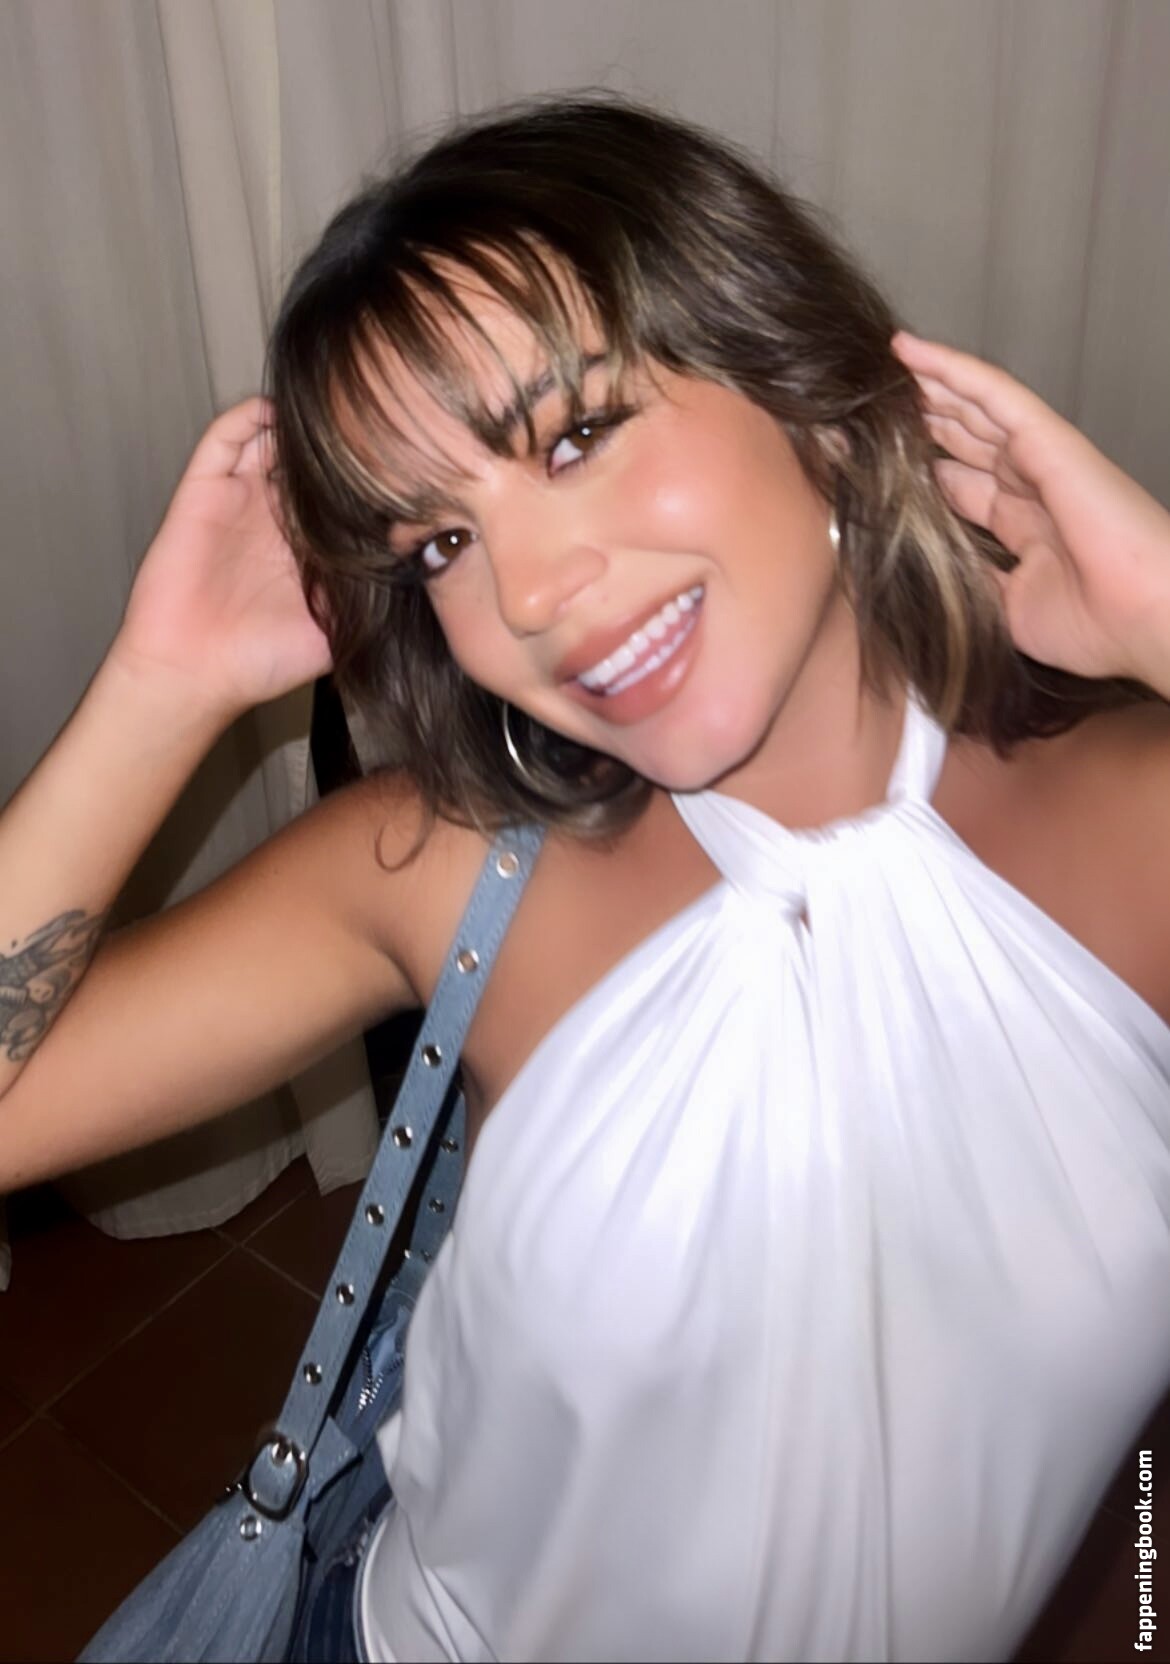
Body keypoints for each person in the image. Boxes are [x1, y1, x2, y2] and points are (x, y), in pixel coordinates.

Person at [2, 94, 1170, 1663]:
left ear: (802, 388)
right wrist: (164, 686)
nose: (534, 593)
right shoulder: (450, 869)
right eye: (438, 542)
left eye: (574, 437)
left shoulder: (1130, 830)